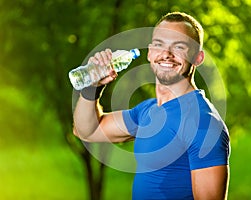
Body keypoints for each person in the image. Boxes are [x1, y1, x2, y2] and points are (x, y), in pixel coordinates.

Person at [72, 11, 230, 200]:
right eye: (159, 45)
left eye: (179, 46)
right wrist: (93, 87)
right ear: (150, 52)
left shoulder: (203, 123)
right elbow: (86, 130)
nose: (166, 54)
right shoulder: (148, 111)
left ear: (198, 58)